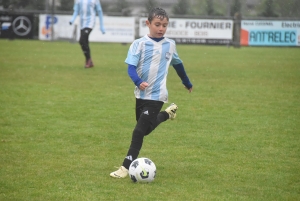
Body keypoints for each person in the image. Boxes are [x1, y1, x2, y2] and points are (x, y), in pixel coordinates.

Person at [110, 7, 193, 178]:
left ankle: (125, 167)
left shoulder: (170, 45)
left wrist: (186, 81)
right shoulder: (138, 44)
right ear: (148, 23)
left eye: (164, 25)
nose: (161, 28)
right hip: (141, 94)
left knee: (138, 131)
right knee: (145, 129)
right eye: (157, 24)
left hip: (158, 95)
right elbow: (131, 69)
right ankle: (167, 115)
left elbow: (178, 64)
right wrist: (139, 82)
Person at [69, 0, 105, 68]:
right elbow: (76, 10)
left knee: (82, 40)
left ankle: (88, 60)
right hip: (82, 23)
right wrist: (72, 19)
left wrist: (101, 26)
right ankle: (89, 61)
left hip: (90, 22)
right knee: (83, 41)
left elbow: (99, 11)